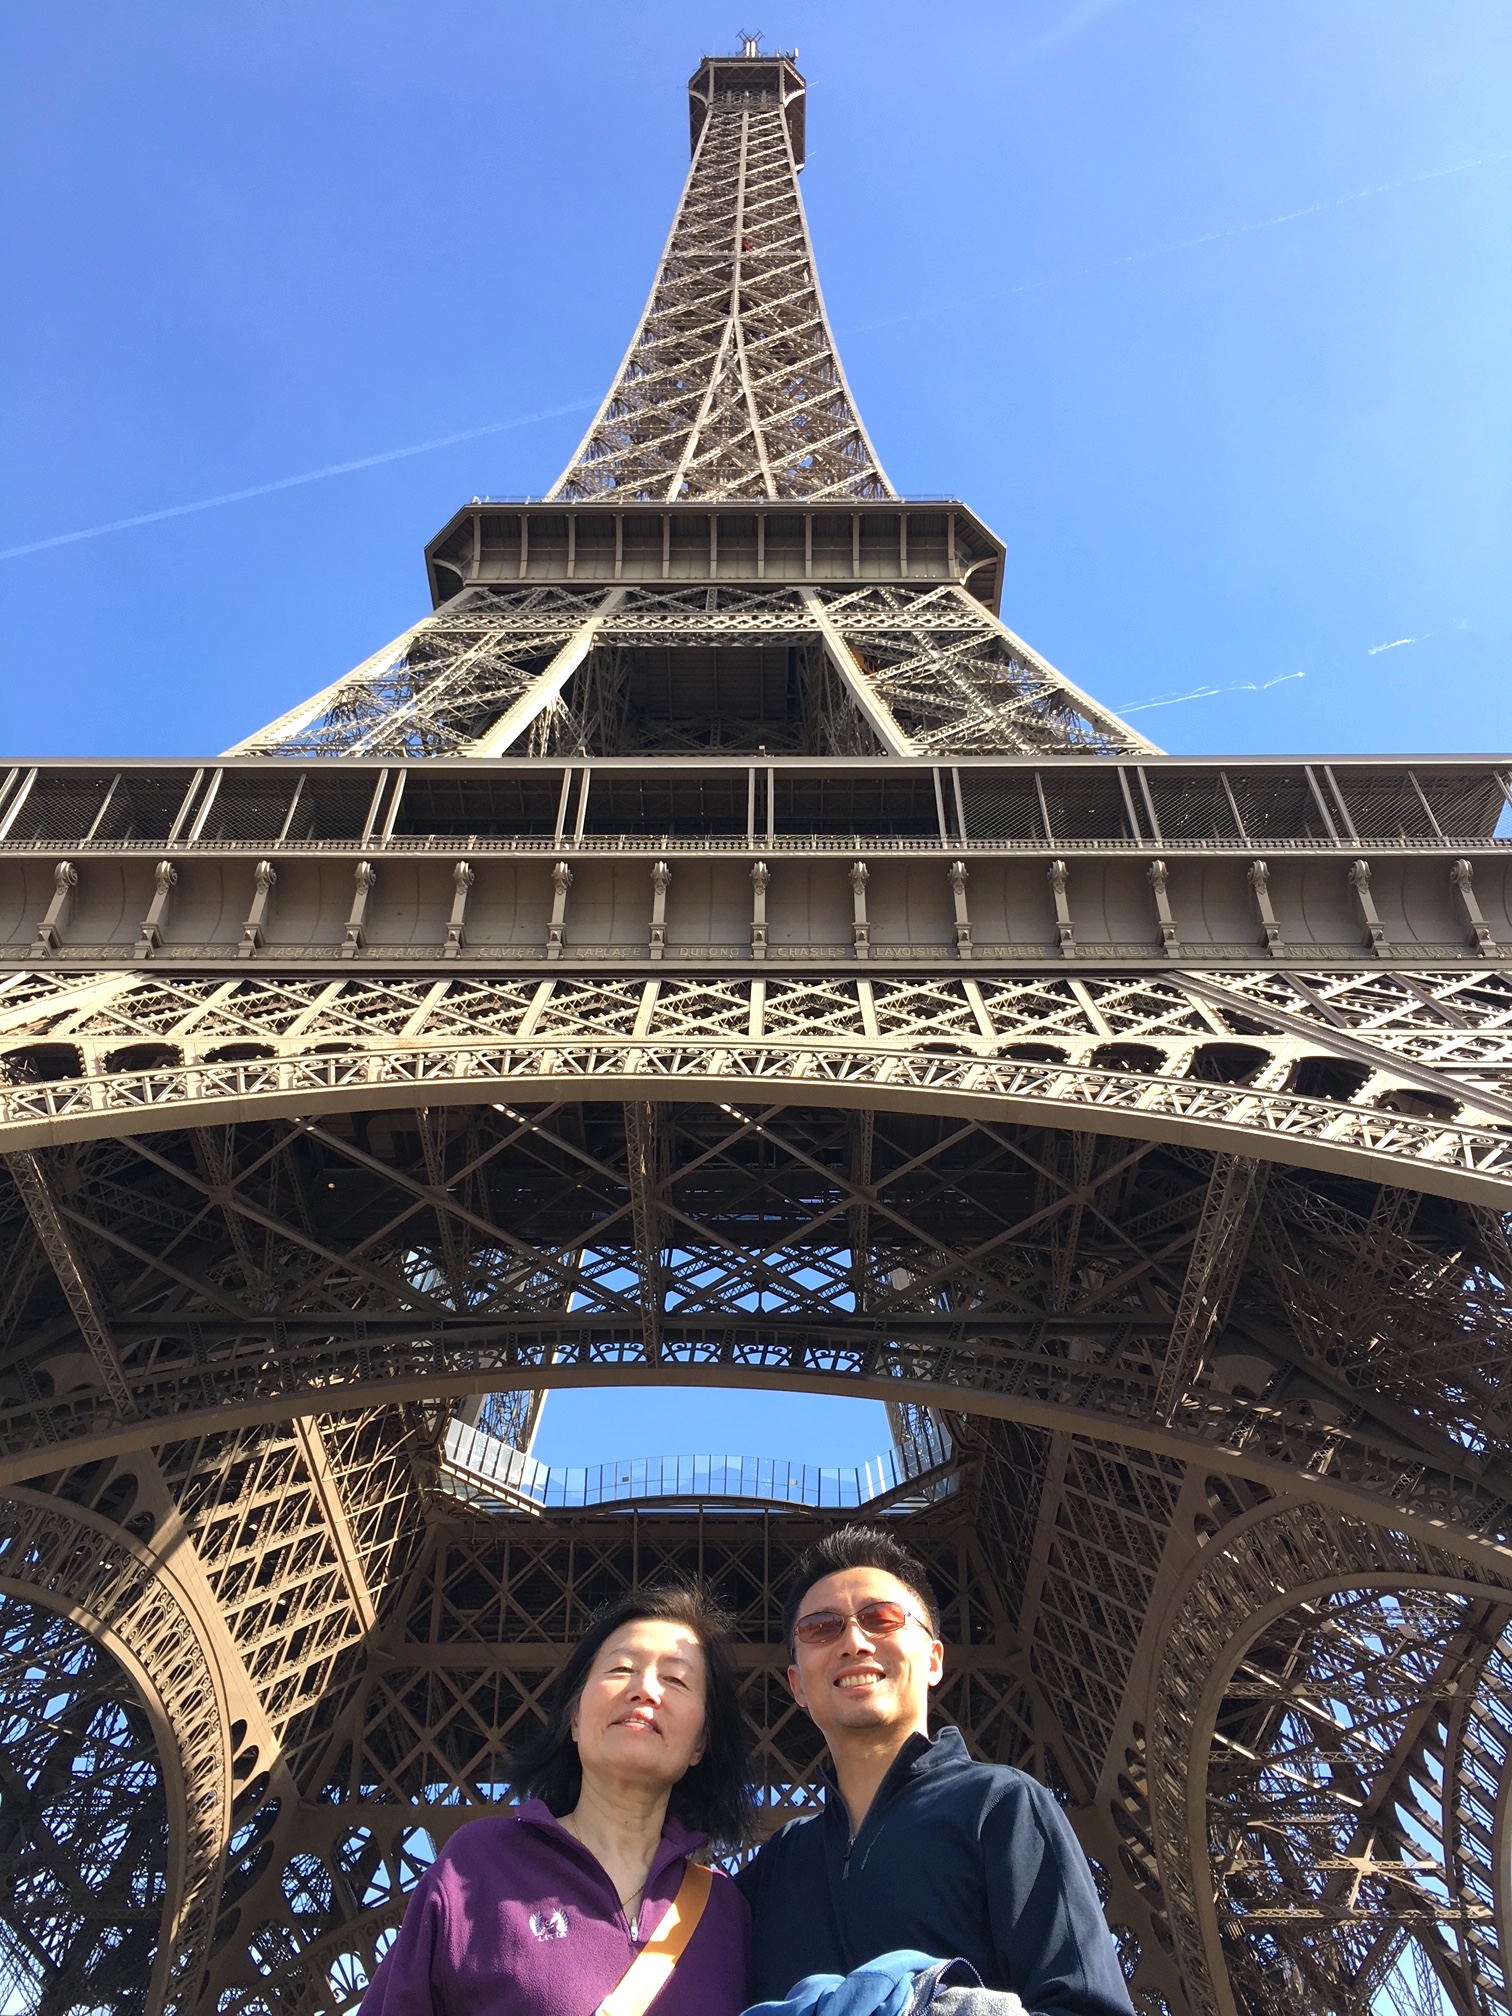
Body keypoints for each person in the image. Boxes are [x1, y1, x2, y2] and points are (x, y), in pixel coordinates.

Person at [736, 1527, 1134, 2015]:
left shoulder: (1002, 1804)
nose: (854, 1641)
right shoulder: (775, 1867)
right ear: (796, 1685)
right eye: (821, 1627)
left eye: (880, 1618)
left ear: (933, 1659)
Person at [359, 1583, 753, 2014]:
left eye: (676, 1679)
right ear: (575, 1720)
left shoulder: (726, 1912)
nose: (645, 1689)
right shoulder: (478, 1864)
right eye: (621, 1668)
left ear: (701, 1744)